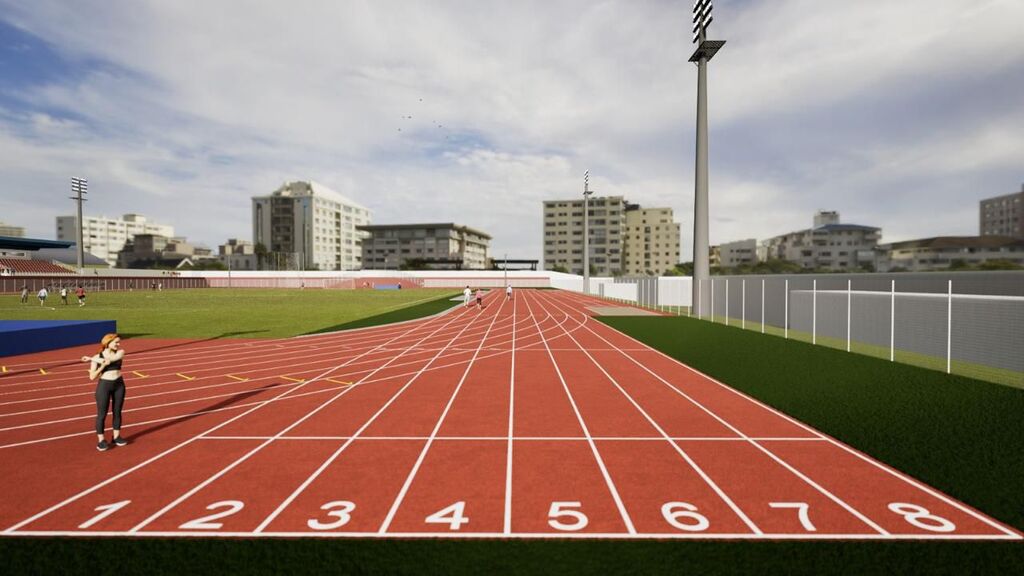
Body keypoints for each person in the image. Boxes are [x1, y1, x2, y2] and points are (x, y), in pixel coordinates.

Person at [82, 333, 128, 451]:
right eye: (116, 342)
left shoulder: (120, 352)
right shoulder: (97, 357)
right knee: (102, 414)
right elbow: (92, 377)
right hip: (104, 386)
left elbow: (112, 359)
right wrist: (102, 366)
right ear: (107, 343)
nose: (118, 344)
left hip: (119, 384)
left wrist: (91, 358)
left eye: (119, 342)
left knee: (117, 411)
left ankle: (116, 437)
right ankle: (101, 440)